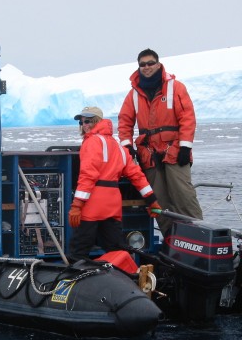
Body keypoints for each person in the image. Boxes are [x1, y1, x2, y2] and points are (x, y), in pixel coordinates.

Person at [118, 49, 203, 237]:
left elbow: (187, 118)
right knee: (158, 203)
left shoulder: (175, 87)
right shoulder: (133, 95)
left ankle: (198, 238)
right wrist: (126, 146)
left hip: (174, 153)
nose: (147, 67)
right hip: (149, 156)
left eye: (150, 63)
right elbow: (124, 122)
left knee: (184, 198)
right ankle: (170, 241)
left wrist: (185, 147)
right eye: (142, 64)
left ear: (158, 64)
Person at [68, 106, 161, 262]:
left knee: (79, 250)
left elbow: (88, 176)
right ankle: (126, 276)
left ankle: (76, 281)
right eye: (81, 122)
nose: (84, 124)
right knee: (115, 249)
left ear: (97, 121)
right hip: (112, 204)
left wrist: (77, 205)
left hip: (93, 203)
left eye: (88, 121)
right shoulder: (119, 147)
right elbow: (136, 175)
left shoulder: (91, 142)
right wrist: (152, 201)